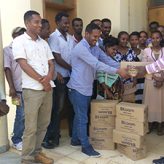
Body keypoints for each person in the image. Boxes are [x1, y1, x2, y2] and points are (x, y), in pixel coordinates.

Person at [67, 23, 129, 157]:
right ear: (86, 34)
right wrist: (118, 71)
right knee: (83, 118)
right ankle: (85, 146)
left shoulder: (94, 48)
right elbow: (97, 64)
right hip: (77, 88)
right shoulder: (80, 48)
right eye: (94, 37)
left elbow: (106, 59)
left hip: (87, 87)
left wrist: (124, 67)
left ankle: (75, 140)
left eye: (98, 37)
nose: (96, 39)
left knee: (80, 115)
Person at [12, 10, 54, 164]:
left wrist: (49, 77)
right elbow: (23, 64)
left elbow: (51, 62)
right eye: (36, 22)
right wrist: (42, 80)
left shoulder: (43, 42)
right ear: (27, 23)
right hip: (32, 90)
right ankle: (27, 159)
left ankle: (37, 153)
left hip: (48, 88)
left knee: (44, 124)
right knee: (30, 127)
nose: (40, 25)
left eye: (41, 22)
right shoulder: (19, 41)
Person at [43, 12, 75, 149]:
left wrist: (74, 70)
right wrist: (72, 68)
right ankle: (53, 137)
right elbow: (56, 58)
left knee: (70, 106)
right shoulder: (53, 37)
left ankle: (73, 134)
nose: (67, 25)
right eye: (64, 22)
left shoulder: (70, 37)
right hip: (60, 78)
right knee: (58, 108)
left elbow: (73, 55)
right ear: (57, 22)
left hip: (71, 77)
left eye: (68, 22)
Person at [3, 27, 26, 151]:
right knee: (20, 114)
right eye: (19, 34)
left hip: (29, 87)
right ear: (13, 36)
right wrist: (11, 87)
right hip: (16, 89)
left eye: (23, 34)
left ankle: (22, 137)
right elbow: (7, 69)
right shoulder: (8, 50)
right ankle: (16, 139)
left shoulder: (25, 48)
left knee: (28, 115)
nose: (21, 36)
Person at [142, 31, 164, 135]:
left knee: (161, 103)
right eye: (153, 38)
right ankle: (149, 124)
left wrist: (161, 79)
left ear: (161, 38)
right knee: (149, 103)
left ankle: (160, 124)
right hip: (150, 80)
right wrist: (155, 77)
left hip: (162, 81)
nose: (156, 40)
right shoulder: (146, 51)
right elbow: (144, 66)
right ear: (150, 39)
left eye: (158, 38)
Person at [115, 31, 138, 103]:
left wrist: (135, 78)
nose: (125, 41)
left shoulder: (131, 51)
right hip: (116, 82)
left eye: (127, 39)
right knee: (116, 104)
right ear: (118, 39)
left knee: (128, 105)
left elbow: (135, 66)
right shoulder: (114, 51)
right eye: (123, 39)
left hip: (129, 82)